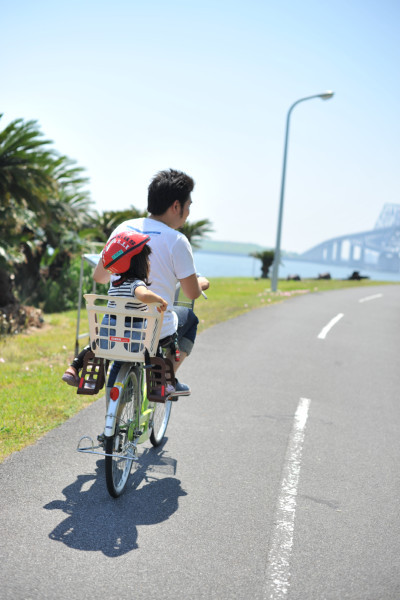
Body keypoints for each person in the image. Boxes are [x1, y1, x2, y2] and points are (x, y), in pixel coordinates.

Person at [93, 168, 210, 393]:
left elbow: (100, 276)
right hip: (154, 329)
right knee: (190, 319)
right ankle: (166, 380)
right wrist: (201, 282)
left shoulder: (123, 228)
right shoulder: (177, 240)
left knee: (127, 339)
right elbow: (192, 293)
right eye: (188, 206)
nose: (188, 213)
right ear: (176, 206)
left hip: (116, 323)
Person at [62, 230, 168, 387]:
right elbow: (143, 296)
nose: (149, 263)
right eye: (147, 259)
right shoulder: (136, 284)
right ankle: (161, 384)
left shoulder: (115, 285)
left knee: (95, 344)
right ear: (139, 264)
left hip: (108, 341)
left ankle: (73, 368)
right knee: (154, 343)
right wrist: (159, 300)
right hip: (132, 342)